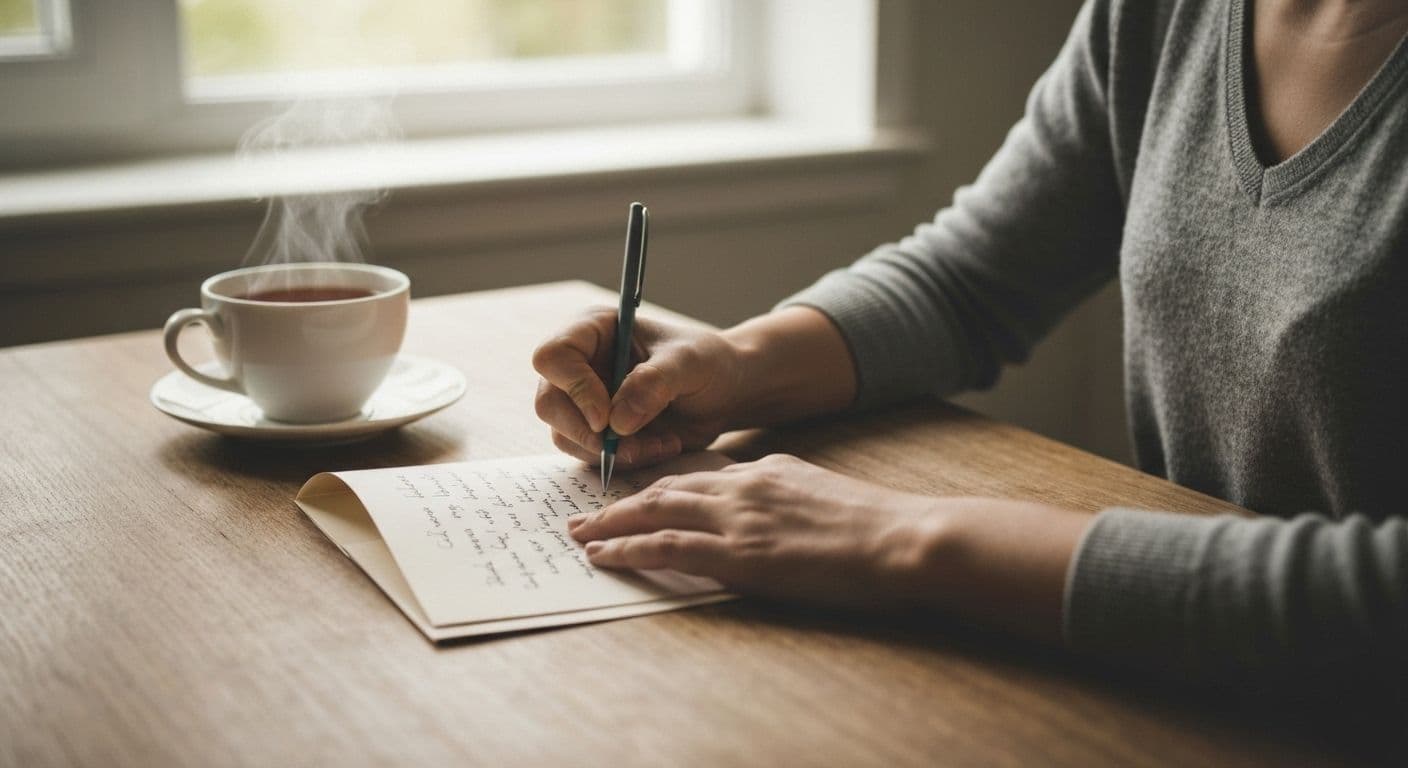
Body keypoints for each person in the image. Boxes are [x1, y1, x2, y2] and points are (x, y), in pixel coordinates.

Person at [532, 0, 1408, 684]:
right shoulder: (1161, 14)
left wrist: (908, 541)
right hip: (1180, 677)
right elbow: (972, 281)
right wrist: (738, 367)